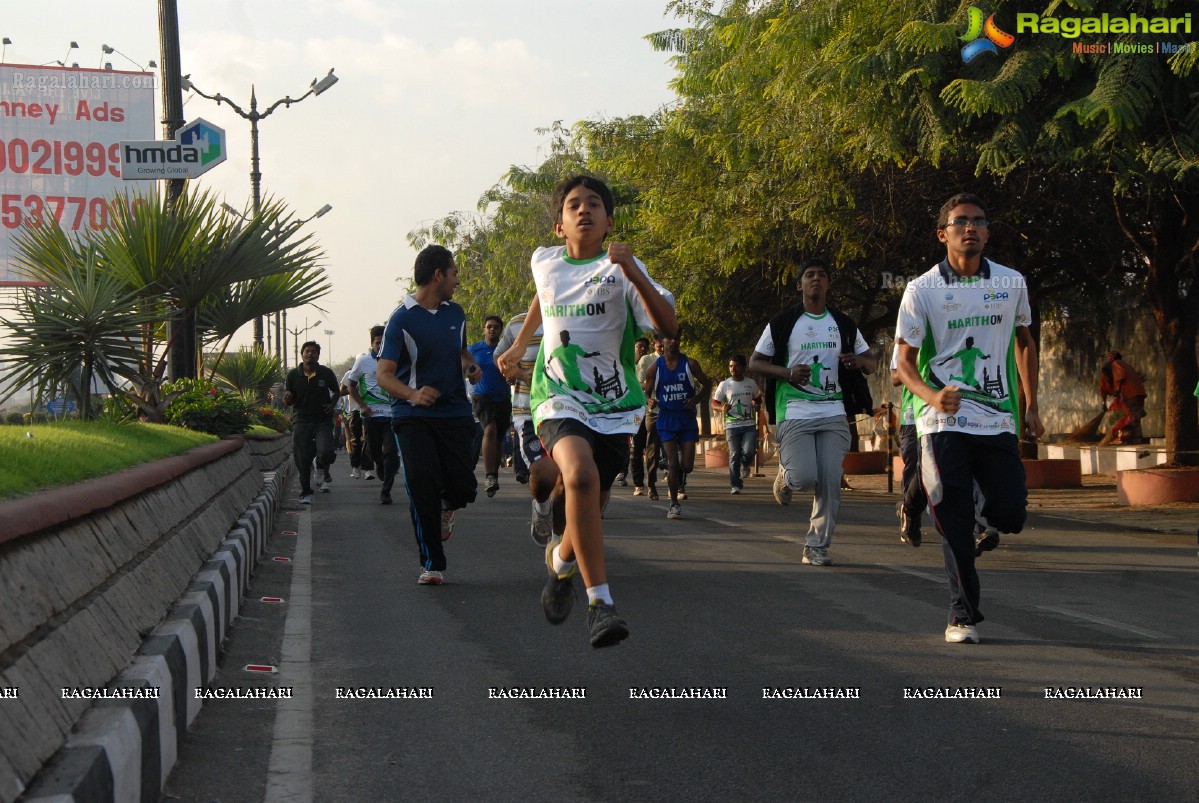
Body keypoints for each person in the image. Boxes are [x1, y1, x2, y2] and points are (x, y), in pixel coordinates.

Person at [498, 175, 677, 648]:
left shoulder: (623, 271)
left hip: (615, 406)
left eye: (593, 204)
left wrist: (634, 269)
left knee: (587, 508)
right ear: (559, 225)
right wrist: (519, 344)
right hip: (557, 395)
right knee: (577, 476)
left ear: (609, 220)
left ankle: (560, 567)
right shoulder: (546, 262)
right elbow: (545, 295)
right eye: (574, 205)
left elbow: (669, 325)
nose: (584, 210)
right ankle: (601, 604)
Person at [895, 193, 1044, 644]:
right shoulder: (921, 289)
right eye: (961, 222)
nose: (971, 228)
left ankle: (981, 517)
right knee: (952, 517)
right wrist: (931, 397)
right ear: (943, 234)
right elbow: (902, 361)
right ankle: (962, 614)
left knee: (1010, 512)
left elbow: (1024, 342)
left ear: (987, 232)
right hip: (942, 422)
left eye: (979, 221)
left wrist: (1032, 403)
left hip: (997, 417)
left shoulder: (1011, 282)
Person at [749, 256, 875, 567]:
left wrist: (859, 362)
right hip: (794, 409)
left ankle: (816, 545)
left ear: (828, 283)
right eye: (809, 275)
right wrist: (787, 372)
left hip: (833, 410)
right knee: (805, 478)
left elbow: (870, 360)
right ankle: (786, 476)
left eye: (821, 275)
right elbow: (755, 362)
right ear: (800, 285)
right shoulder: (783, 323)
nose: (815, 279)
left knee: (830, 480)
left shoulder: (843, 323)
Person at [376, 245, 481, 586]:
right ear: (438, 275)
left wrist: (470, 366)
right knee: (422, 486)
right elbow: (384, 375)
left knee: (464, 486)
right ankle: (431, 563)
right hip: (413, 417)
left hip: (455, 412)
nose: (458, 281)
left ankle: (448, 504)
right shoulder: (401, 319)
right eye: (454, 273)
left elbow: (462, 351)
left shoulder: (456, 313)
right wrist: (412, 395)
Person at [496, 309, 561, 546]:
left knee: (569, 477)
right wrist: (517, 373)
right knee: (545, 473)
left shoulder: (578, 316)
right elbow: (500, 357)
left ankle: (561, 543)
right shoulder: (517, 324)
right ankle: (542, 506)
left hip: (571, 411)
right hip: (530, 412)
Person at [642, 331, 711, 518]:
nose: (673, 342)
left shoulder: (690, 364)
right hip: (666, 419)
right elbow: (647, 393)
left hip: (686, 419)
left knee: (686, 466)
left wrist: (696, 399)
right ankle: (673, 503)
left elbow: (707, 384)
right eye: (668, 339)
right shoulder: (654, 369)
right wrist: (649, 401)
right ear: (661, 342)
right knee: (673, 463)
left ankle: (674, 471)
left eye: (676, 339)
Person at [347, 325, 400, 504]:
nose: (381, 346)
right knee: (374, 451)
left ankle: (386, 491)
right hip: (370, 416)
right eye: (378, 343)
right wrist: (362, 405)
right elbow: (351, 385)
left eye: (384, 342)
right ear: (372, 343)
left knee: (391, 453)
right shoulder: (363, 361)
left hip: (391, 415)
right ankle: (379, 464)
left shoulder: (395, 360)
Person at [283, 341, 341, 505]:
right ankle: (306, 492)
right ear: (302, 354)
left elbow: (337, 391)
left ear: (318, 355)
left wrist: (331, 405)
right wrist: (286, 398)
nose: (310, 354)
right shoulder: (293, 375)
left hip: (322, 420)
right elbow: (288, 398)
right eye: (307, 351)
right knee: (302, 458)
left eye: (314, 352)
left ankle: (321, 464)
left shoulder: (326, 373)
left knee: (326, 452)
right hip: (301, 420)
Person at [469, 315, 513, 497]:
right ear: (484, 329)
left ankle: (494, 476)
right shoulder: (475, 349)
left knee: (499, 436)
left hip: (503, 397)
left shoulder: (506, 349)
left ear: (501, 330)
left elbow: (514, 367)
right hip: (482, 397)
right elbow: (465, 366)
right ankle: (488, 475)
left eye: (496, 327)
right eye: (489, 326)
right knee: (490, 430)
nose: (492, 329)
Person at [712, 354, 763, 495]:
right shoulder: (725, 384)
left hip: (749, 424)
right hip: (732, 425)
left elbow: (758, 399)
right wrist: (721, 407)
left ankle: (745, 464)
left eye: (736, 366)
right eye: (730, 366)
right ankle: (735, 484)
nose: (732, 368)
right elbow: (714, 403)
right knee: (734, 455)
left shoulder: (751, 383)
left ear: (743, 367)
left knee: (749, 451)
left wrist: (757, 404)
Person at [637, 336, 666, 499]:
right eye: (660, 345)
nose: (663, 347)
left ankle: (678, 487)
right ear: (655, 345)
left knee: (676, 450)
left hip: (673, 410)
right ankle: (651, 484)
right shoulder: (646, 360)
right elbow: (638, 382)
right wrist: (653, 385)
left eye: (666, 344)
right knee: (652, 449)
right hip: (653, 409)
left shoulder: (677, 360)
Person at [1099, 351, 1147, 445]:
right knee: (1125, 415)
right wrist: (1104, 403)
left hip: (1130, 393)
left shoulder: (1117, 364)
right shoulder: (1123, 366)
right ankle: (1130, 437)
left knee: (1131, 416)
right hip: (1135, 393)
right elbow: (1103, 389)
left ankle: (1133, 438)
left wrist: (1118, 391)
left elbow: (1121, 376)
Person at [340, 369, 366, 479]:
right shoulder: (350, 374)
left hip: (370, 410)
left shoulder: (371, 371)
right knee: (355, 439)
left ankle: (368, 468)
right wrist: (353, 388)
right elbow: (341, 391)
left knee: (367, 439)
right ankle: (356, 466)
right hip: (354, 411)